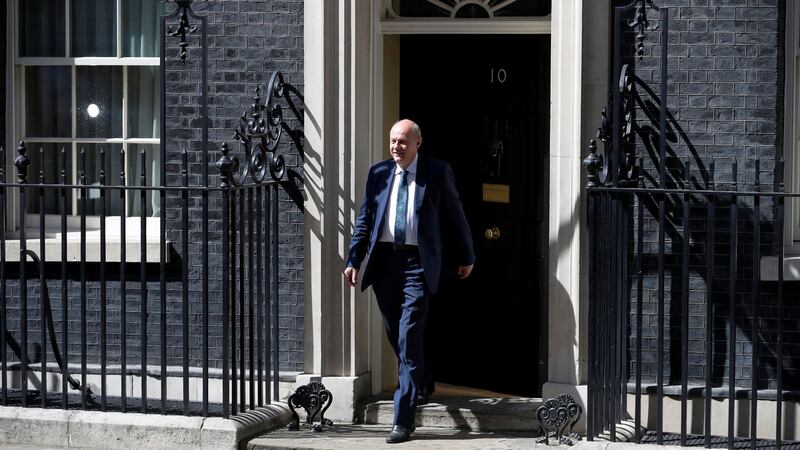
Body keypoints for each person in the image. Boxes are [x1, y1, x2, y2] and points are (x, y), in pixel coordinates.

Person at [344, 119, 475, 444]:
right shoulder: (378, 174)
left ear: (418, 143)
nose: (396, 147)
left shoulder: (436, 172)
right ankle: (424, 378)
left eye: (403, 141)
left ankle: (403, 420)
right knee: (394, 332)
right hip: (385, 263)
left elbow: (455, 215)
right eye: (392, 141)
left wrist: (467, 255)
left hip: (418, 263)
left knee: (408, 336)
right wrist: (353, 260)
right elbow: (365, 219)